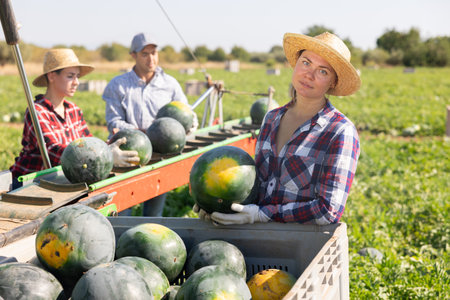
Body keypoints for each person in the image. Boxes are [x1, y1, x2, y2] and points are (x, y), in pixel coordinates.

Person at [196, 32, 361, 225]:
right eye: (306, 63)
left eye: (323, 71)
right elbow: (257, 186)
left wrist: (263, 215)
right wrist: (216, 203)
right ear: (296, 63)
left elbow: (328, 210)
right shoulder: (272, 119)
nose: (309, 74)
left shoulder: (340, 132)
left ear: (333, 82)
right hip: (258, 237)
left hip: (302, 245)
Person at [10, 48, 139, 190]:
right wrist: (105, 156)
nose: (76, 82)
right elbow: (53, 151)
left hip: (62, 179)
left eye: (77, 76)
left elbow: (88, 142)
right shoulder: (37, 112)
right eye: (70, 76)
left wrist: (108, 144)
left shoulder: (73, 110)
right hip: (31, 183)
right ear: (52, 76)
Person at [103, 32, 197, 216]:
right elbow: (114, 123)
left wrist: (190, 124)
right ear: (133, 55)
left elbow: (186, 113)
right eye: (144, 54)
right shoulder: (118, 85)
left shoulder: (170, 84)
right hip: (128, 156)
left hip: (161, 154)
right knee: (123, 212)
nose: (151, 59)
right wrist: (144, 132)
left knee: (154, 213)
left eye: (153, 53)